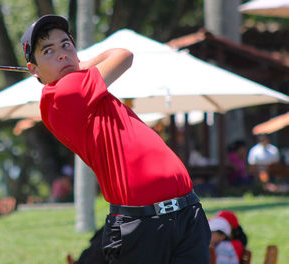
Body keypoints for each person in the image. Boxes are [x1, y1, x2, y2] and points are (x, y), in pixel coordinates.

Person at [21, 15, 210, 263]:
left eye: (66, 44)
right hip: (144, 223)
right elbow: (123, 55)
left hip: (186, 211)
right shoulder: (64, 93)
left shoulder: (84, 89)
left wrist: (79, 64)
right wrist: (85, 62)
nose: (62, 54)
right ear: (33, 70)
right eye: (48, 51)